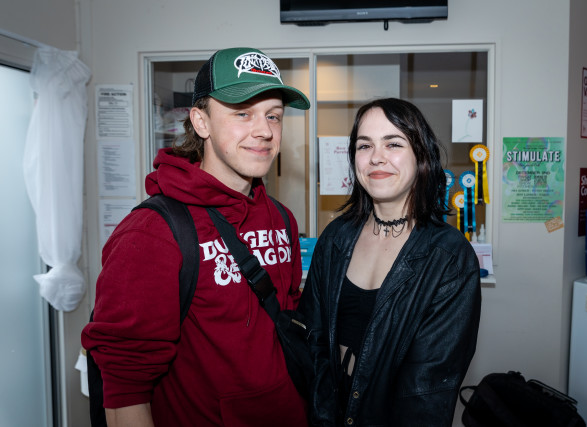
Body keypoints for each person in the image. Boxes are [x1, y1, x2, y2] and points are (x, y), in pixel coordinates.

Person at [81, 47, 311, 427]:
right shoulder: (152, 232)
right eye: (243, 113)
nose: (265, 131)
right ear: (201, 122)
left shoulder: (281, 218)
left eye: (273, 115)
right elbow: (125, 391)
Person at [298, 98, 482, 426]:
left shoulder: (450, 259)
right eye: (364, 145)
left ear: (421, 156)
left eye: (393, 143)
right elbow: (312, 342)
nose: (376, 157)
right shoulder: (335, 238)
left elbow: (426, 392)